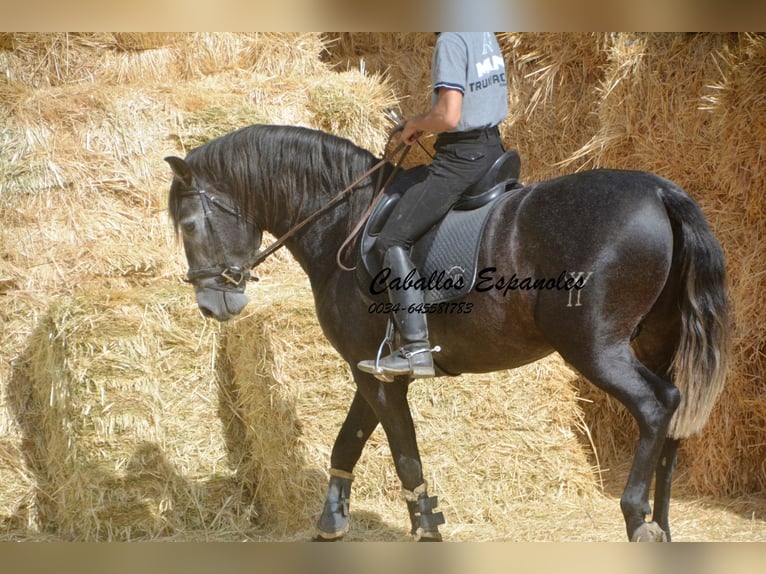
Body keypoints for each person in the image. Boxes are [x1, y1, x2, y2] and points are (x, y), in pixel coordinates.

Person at [358, 32, 509, 381]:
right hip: (493, 151)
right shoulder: (483, 33)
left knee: (392, 239)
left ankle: (414, 348)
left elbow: (449, 115)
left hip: (460, 159)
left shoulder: (452, 40)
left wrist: (415, 124)